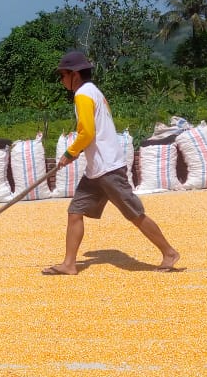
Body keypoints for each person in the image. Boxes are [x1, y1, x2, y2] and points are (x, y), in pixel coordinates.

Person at [44, 51, 180, 275]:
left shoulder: (83, 95)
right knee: (75, 211)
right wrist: (77, 152)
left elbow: (87, 132)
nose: (61, 80)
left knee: (134, 214)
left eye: (63, 75)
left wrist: (70, 152)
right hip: (96, 170)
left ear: (74, 75)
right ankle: (69, 264)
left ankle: (169, 252)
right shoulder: (94, 92)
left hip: (108, 168)